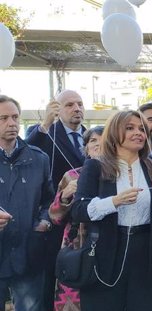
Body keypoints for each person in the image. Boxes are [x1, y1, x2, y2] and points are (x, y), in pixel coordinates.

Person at [71, 110, 152, 311]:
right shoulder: (95, 167)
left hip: (147, 252)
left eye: (142, 129)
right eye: (130, 128)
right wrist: (113, 202)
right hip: (106, 252)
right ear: (114, 132)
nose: (138, 133)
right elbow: (78, 210)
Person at [26, 89, 88, 311]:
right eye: (69, 104)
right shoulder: (45, 132)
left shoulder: (93, 136)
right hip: (56, 217)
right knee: (53, 271)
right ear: (57, 109)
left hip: (86, 220)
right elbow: (27, 151)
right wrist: (45, 123)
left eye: (79, 103)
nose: (76, 108)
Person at [0, 95, 54, 311]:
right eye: (3, 118)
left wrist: (44, 222)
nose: (12, 123)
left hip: (27, 252)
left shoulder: (39, 159)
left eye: (15, 117)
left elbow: (49, 199)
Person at [49, 126, 104, 311]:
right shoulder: (71, 175)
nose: (97, 144)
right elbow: (55, 217)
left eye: (103, 139)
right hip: (76, 248)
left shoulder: (121, 173)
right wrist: (64, 196)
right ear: (86, 148)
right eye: (92, 141)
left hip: (108, 246)